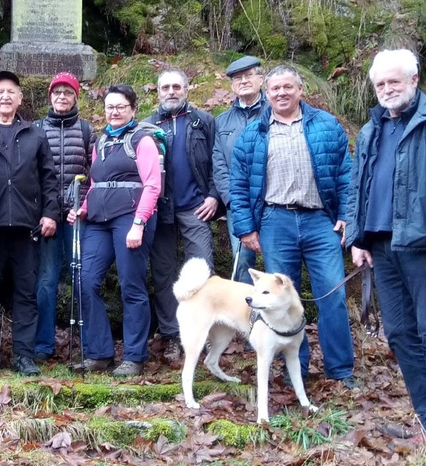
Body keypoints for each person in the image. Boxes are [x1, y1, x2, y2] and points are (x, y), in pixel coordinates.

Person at [346, 49, 426, 450]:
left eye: (394, 82)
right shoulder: (371, 130)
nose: (387, 89)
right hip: (381, 247)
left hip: (424, 248)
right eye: (380, 83)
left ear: (414, 80)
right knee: (400, 333)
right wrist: (357, 238)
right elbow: (358, 189)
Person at [229, 65, 356, 388]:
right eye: (275, 89)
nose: (281, 93)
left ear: (300, 90)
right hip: (275, 222)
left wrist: (347, 214)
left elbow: (347, 176)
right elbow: (239, 185)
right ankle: (293, 368)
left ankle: (340, 370)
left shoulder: (327, 126)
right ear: (266, 94)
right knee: (282, 302)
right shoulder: (253, 133)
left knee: (333, 295)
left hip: (320, 222)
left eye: (288, 87)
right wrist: (245, 229)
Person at [69, 84, 161, 377]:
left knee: (131, 285)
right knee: (85, 282)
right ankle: (99, 353)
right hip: (98, 220)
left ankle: (134, 357)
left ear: (133, 109)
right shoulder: (101, 143)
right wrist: (83, 207)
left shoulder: (143, 140)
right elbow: (97, 183)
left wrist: (139, 223)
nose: (114, 111)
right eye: (110, 106)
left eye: (121, 106)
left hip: (131, 218)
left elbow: (152, 185)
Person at [0, 70, 59, 376]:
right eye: (0, 91)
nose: (6, 96)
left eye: (12, 91)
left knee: (26, 292)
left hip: (27, 227)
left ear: (20, 98)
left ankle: (24, 355)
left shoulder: (34, 134)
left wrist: (50, 213)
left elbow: (50, 178)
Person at [144, 69, 218, 361]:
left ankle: (206, 333)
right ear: (158, 92)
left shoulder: (203, 121)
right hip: (160, 210)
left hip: (195, 207)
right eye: (166, 87)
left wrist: (214, 195)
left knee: (202, 272)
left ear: (187, 89)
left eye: (177, 86)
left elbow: (218, 161)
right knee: (164, 275)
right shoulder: (146, 126)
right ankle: (172, 334)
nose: (171, 91)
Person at [34, 72, 94, 362]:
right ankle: (43, 345)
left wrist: (81, 205)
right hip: (47, 218)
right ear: (50, 96)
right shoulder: (35, 129)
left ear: (75, 97)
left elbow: (95, 173)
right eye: (56, 92)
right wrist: (44, 210)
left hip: (76, 217)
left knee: (81, 276)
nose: (61, 97)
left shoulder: (85, 130)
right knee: (46, 280)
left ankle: (88, 342)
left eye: (67, 92)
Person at [212, 55, 268, 284]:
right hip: (238, 205)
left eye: (248, 76)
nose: (243, 81)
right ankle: (246, 317)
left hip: (272, 202)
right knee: (243, 261)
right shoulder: (222, 121)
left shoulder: (275, 111)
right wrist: (232, 201)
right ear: (232, 86)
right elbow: (219, 165)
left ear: (261, 79)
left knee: (278, 260)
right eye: (237, 78)